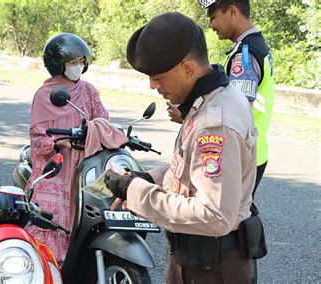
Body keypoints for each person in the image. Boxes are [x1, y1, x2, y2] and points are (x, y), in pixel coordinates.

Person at [104, 12, 262, 283]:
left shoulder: (215, 123)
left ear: (188, 68)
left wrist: (137, 191)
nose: (153, 85)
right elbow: (193, 167)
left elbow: (214, 215)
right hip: (202, 260)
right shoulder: (213, 97)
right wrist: (149, 178)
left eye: (158, 76)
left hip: (210, 269)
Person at [169, 0, 275, 205]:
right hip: (254, 147)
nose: (210, 24)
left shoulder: (245, 55)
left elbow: (236, 109)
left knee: (229, 218)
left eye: (213, 16)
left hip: (240, 151)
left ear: (233, 11)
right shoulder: (253, 46)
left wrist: (187, 117)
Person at [26, 33, 110, 265]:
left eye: (81, 62)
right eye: (73, 62)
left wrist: (93, 131)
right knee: (49, 227)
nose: (79, 67)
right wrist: (58, 143)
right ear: (58, 65)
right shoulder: (45, 95)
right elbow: (37, 137)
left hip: (85, 164)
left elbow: (104, 121)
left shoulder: (89, 90)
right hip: (56, 165)